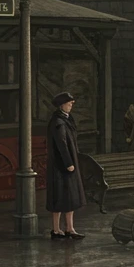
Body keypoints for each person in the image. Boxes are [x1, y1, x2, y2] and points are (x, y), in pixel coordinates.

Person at [46, 91, 86, 240]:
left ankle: (69, 228)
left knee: (70, 198)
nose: (71, 106)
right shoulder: (58, 122)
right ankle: (56, 229)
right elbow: (62, 144)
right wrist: (69, 163)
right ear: (62, 105)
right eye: (69, 104)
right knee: (59, 198)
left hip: (67, 165)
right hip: (60, 167)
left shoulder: (65, 120)